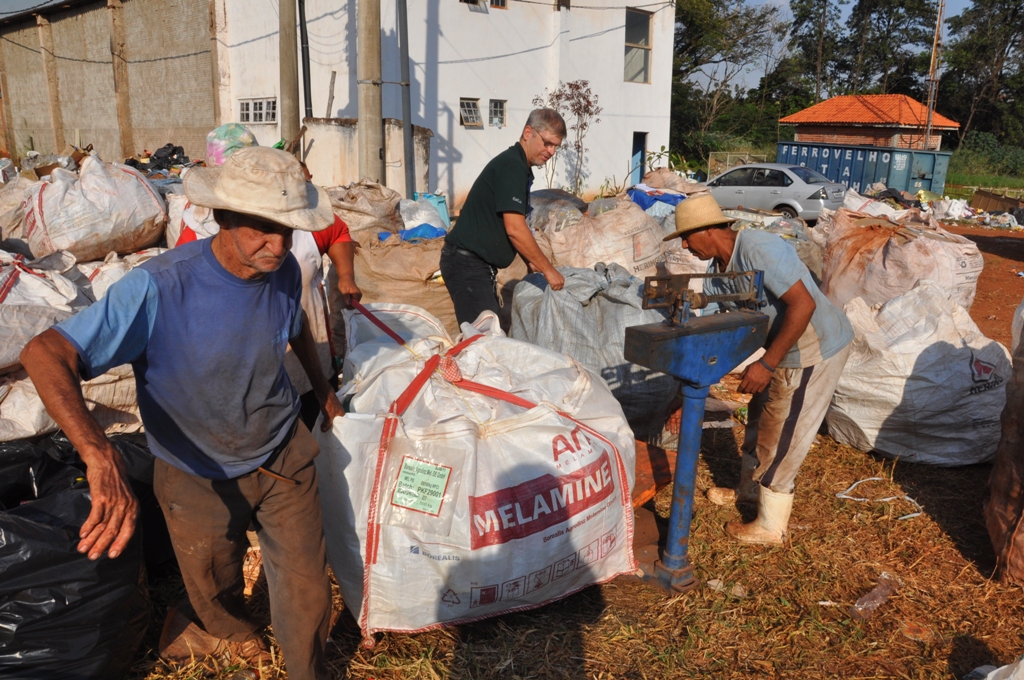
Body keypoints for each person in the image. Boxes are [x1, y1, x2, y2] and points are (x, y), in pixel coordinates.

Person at [20, 146, 343, 680]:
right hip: (195, 472)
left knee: (307, 583)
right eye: (263, 228)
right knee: (212, 579)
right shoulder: (160, 286)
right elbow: (43, 353)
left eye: (287, 228)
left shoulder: (283, 268)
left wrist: (323, 386)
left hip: (282, 452)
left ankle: (306, 670)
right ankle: (232, 632)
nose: (279, 244)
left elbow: (294, 324)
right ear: (223, 217)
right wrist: (98, 455)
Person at [662, 194, 854, 546]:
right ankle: (748, 491)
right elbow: (723, 329)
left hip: (813, 348)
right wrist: (690, 384)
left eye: (687, 237)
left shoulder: (757, 248)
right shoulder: (717, 274)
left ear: (707, 231)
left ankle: (770, 525)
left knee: (785, 431)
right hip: (780, 349)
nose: (686, 247)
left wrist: (766, 364)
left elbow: (803, 303)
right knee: (760, 417)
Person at [176, 123, 361, 430]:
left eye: (285, 233)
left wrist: (345, 277)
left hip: (309, 358)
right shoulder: (190, 245)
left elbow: (337, 233)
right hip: (245, 383)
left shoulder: (294, 214)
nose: (278, 246)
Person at [441, 108, 566, 326]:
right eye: (547, 143)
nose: (551, 151)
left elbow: (512, 225)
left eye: (556, 146)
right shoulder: (513, 167)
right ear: (528, 133)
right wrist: (548, 270)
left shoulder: (519, 166)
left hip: (475, 266)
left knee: (488, 336)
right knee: (483, 342)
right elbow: (515, 228)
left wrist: (531, 260)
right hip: (467, 265)